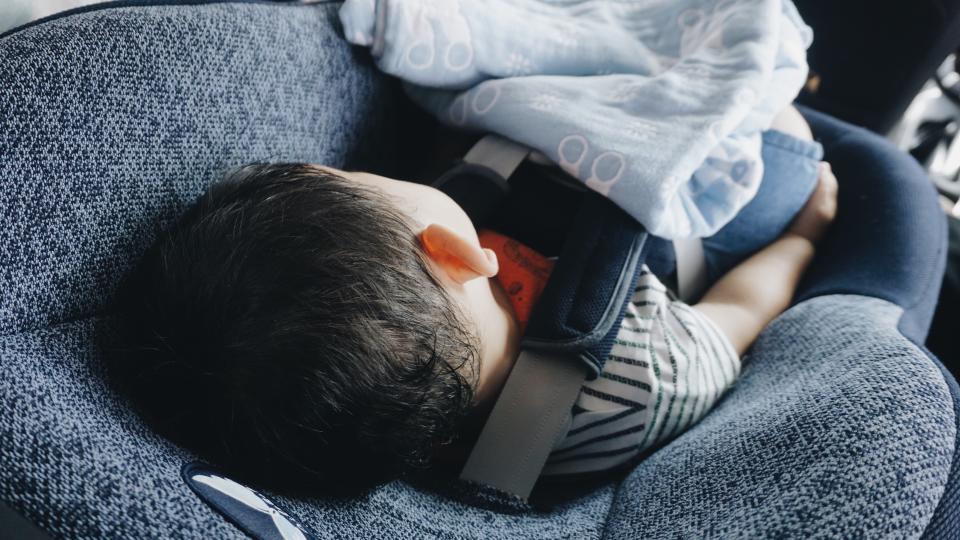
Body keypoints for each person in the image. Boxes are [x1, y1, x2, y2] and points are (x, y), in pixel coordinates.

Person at [107, 110, 837, 493]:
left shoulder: (380, 415)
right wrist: (805, 238)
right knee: (794, 139)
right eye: (361, 175)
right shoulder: (641, 379)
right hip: (686, 249)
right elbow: (739, 312)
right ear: (458, 255)